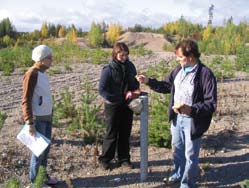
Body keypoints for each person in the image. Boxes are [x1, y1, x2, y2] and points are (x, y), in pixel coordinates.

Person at [136, 39, 217, 188]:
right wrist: (148, 81)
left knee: (190, 156)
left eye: (180, 57)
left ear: (191, 56)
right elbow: (166, 85)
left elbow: (211, 104)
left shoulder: (205, 74)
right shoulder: (179, 70)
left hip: (193, 122)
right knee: (178, 151)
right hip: (176, 119)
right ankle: (178, 174)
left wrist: (191, 109)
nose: (177, 59)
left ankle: (186, 184)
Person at [98, 42, 140, 170]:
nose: (124, 57)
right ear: (115, 54)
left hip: (127, 105)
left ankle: (124, 159)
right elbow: (102, 90)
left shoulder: (131, 67)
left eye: (126, 55)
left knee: (125, 132)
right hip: (113, 106)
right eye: (122, 55)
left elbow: (134, 85)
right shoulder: (108, 69)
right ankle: (105, 159)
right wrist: (118, 98)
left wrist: (133, 92)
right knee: (111, 133)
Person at [22, 44, 57, 185]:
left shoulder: (43, 73)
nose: (52, 60)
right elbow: (26, 100)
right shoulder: (32, 74)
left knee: (45, 151)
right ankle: (36, 182)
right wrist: (29, 122)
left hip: (46, 117)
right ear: (41, 59)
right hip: (37, 120)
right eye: (49, 58)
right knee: (38, 152)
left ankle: (43, 176)